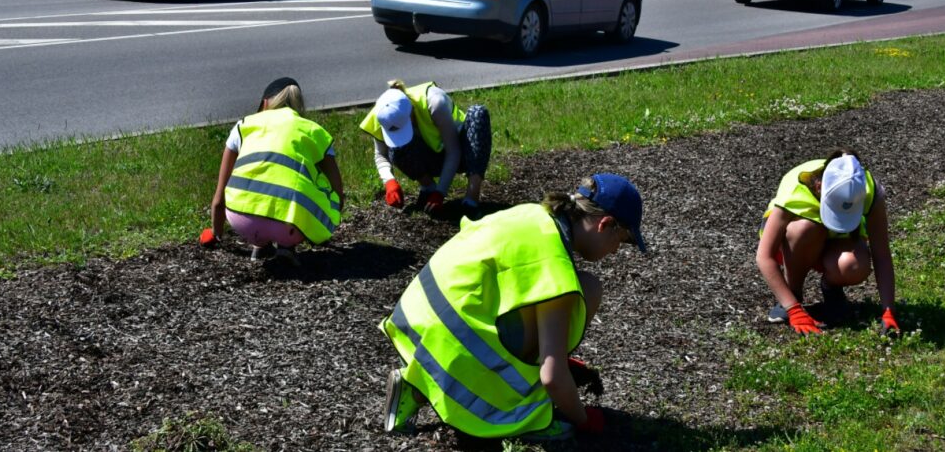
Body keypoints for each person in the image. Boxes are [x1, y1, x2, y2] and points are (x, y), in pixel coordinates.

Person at [380, 173, 646, 441]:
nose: (615, 252)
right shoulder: (553, 262)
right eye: (621, 241)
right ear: (605, 224)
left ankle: (416, 382)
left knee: (584, 286)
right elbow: (552, 377)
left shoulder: (533, 215)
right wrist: (584, 420)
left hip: (417, 320)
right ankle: (528, 416)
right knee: (584, 292)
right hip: (451, 349)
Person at [200, 77, 344, 262]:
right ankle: (286, 245)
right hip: (288, 226)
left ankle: (259, 243)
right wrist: (324, 224)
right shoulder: (315, 132)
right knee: (315, 184)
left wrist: (216, 234)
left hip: (241, 220)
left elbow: (219, 199)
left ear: (265, 102)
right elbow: (338, 192)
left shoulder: (243, 126)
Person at [756, 149, 899, 336]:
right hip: (796, 244)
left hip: (836, 241)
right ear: (819, 187)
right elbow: (764, 256)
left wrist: (888, 311)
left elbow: (881, 254)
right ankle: (793, 294)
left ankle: (832, 289)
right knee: (804, 229)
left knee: (854, 265)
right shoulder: (796, 191)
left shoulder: (867, 189)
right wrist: (793, 309)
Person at [359, 80, 491, 218]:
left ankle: (471, 199)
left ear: (411, 111)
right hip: (432, 159)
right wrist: (389, 181)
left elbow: (454, 150)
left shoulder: (435, 102)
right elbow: (381, 154)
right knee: (396, 148)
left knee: (478, 113)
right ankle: (428, 187)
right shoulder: (382, 113)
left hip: (464, 153)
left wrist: (441, 192)